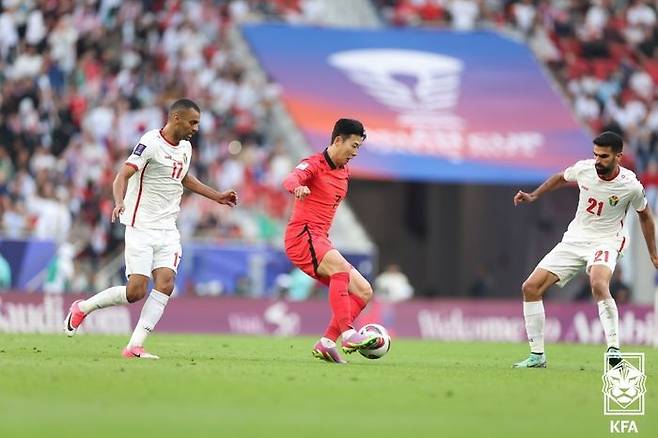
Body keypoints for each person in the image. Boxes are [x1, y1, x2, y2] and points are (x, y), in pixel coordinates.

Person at [63, 99, 238, 359]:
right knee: (135, 292)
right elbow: (122, 175)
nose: (196, 128)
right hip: (141, 226)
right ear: (176, 118)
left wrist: (217, 196)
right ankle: (83, 307)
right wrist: (120, 202)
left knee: (166, 284)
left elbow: (183, 176)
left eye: (198, 123)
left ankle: (134, 346)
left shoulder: (186, 148)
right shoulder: (151, 143)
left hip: (168, 229)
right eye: (193, 122)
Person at [512, 131, 657, 368]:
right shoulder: (585, 169)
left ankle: (613, 350)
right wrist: (534, 195)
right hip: (576, 239)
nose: (598, 161)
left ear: (618, 157)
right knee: (530, 288)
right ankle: (537, 356)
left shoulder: (630, 185)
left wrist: (652, 252)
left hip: (608, 240)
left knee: (598, 283)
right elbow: (560, 178)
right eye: (596, 155)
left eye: (604, 156)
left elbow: (646, 217)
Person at [282, 118, 380, 364]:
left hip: (320, 239)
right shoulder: (314, 164)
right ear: (338, 140)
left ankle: (326, 343)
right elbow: (291, 179)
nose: (355, 153)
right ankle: (348, 334)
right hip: (302, 236)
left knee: (364, 291)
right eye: (354, 146)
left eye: (359, 147)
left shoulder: (344, 171)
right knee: (339, 268)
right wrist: (298, 188)